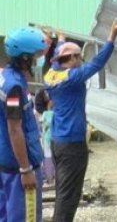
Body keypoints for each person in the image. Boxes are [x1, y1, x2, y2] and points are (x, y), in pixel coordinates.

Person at [44, 18, 117, 222]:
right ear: (71, 58)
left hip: (57, 140)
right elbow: (97, 64)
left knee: (63, 188)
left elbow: (60, 55)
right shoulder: (72, 78)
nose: (81, 60)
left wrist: (61, 40)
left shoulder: (51, 75)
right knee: (69, 195)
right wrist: (112, 37)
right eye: (79, 57)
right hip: (72, 143)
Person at [0, 26, 48, 222]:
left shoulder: (6, 77)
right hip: (18, 166)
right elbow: (14, 129)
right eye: (35, 55)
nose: (38, 59)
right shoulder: (14, 87)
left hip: (6, 163)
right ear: (25, 57)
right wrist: (25, 170)